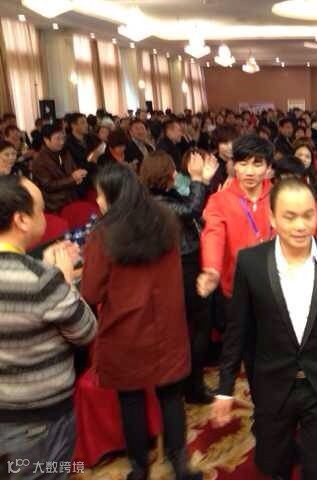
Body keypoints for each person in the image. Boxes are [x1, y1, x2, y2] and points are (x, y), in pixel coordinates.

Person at [211, 177, 317, 480]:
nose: (301, 226)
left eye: (308, 215)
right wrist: (224, 388)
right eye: (290, 217)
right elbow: (238, 330)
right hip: (272, 380)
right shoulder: (250, 263)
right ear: (273, 218)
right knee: (274, 462)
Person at [81, 164, 200, 480]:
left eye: (100, 195)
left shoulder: (103, 234)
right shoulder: (164, 220)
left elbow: (90, 291)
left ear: (113, 196)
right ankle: (180, 464)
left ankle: (139, 469)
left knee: (131, 400)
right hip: (167, 326)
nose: (98, 202)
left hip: (126, 330)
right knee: (171, 397)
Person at [0, 176, 97, 478]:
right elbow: (86, 331)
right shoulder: (41, 280)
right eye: (41, 210)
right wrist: (64, 281)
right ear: (21, 220)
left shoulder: (38, 275)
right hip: (40, 421)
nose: (46, 217)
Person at [141, 150, 216, 404]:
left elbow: (192, 205)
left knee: (194, 325)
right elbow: (191, 209)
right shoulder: (157, 202)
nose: (175, 173)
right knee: (199, 325)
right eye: (171, 169)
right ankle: (192, 387)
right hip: (182, 265)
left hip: (182, 263)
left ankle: (189, 382)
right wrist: (196, 179)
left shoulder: (161, 195)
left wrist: (203, 181)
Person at [198, 135, 274, 335]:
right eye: (243, 163)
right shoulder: (219, 200)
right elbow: (213, 235)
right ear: (234, 166)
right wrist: (212, 269)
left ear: (268, 168)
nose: (249, 171)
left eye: (257, 164)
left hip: (273, 286)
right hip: (235, 288)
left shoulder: (279, 196)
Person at [31, 124, 87, 213]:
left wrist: (79, 175)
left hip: (71, 197)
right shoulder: (39, 161)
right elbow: (49, 185)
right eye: (57, 139)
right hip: (54, 204)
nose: (62, 142)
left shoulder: (64, 152)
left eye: (63, 138)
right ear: (46, 140)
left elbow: (73, 169)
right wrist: (72, 179)